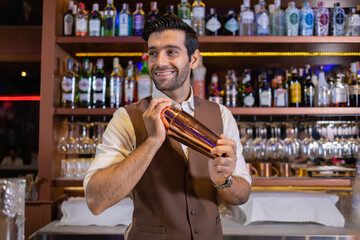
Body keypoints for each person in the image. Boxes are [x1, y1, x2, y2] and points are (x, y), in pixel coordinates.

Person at [84, 14, 251, 240]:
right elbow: (96, 201)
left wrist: (223, 181)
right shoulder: (126, 118)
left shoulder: (221, 115)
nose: (160, 62)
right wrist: (151, 143)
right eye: (153, 53)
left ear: (193, 59)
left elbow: (242, 195)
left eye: (171, 52)